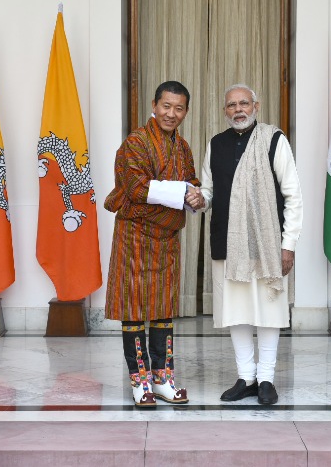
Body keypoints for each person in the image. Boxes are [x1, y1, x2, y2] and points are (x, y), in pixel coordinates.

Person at [196, 83, 303, 405]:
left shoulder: (273, 140)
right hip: (227, 240)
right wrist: (197, 198)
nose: (238, 110)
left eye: (244, 103)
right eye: (231, 105)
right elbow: (208, 191)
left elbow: (293, 195)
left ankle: (267, 378)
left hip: (266, 243)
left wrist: (289, 244)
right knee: (237, 311)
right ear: (224, 110)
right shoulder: (216, 143)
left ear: (256, 106)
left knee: (268, 310)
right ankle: (246, 377)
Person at [104, 81, 202, 407]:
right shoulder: (135, 143)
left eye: (179, 108)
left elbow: (192, 183)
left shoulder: (183, 147)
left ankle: (163, 378)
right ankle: (140, 382)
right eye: (166, 106)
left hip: (167, 241)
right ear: (154, 104)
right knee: (133, 312)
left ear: (186, 111)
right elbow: (137, 189)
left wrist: (197, 194)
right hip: (135, 238)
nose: (171, 114)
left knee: (163, 311)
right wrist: (182, 192)